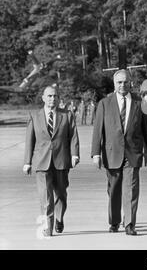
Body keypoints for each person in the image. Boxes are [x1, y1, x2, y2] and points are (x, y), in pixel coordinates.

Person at [91, 69, 147, 236]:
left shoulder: (140, 102)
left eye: (125, 81)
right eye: (119, 82)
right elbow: (98, 130)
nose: (122, 85)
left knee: (131, 189)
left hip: (133, 153)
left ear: (131, 83)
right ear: (114, 84)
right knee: (114, 190)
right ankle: (114, 221)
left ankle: (129, 223)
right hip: (111, 153)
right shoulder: (104, 103)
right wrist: (96, 153)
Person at [23, 85, 80, 237]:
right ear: (43, 98)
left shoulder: (67, 115)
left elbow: (73, 136)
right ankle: (48, 226)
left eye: (55, 96)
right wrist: (27, 162)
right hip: (42, 162)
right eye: (49, 96)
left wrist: (75, 155)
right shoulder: (35, 117)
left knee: (61, 194)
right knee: (45, 197)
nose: (52, 99)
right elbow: (30, 140)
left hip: (61, 160)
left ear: (58, 98)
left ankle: (59, 218)